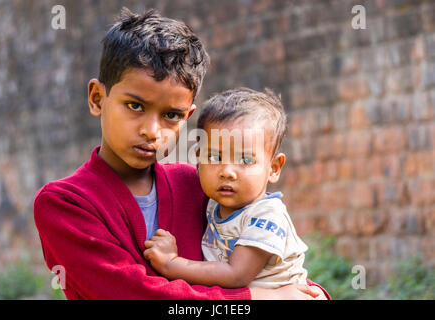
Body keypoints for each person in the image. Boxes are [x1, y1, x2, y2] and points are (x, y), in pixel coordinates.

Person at [33, 8, 329, 299]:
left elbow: (284, 275)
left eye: (171, 115)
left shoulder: (199, 185)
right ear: (98, 98)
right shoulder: (64, 204)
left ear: (187, 116)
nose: (152, 130)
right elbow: (135, 295)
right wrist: (255, 299)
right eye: (135, 106)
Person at [143, 87, 318, 291]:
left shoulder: (266, 216)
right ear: (199, 159)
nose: (227, 172)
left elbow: (236, 275)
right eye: (215, 157)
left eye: (245, 160)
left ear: (273, 168)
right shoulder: (213, 205)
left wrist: (171, 263)